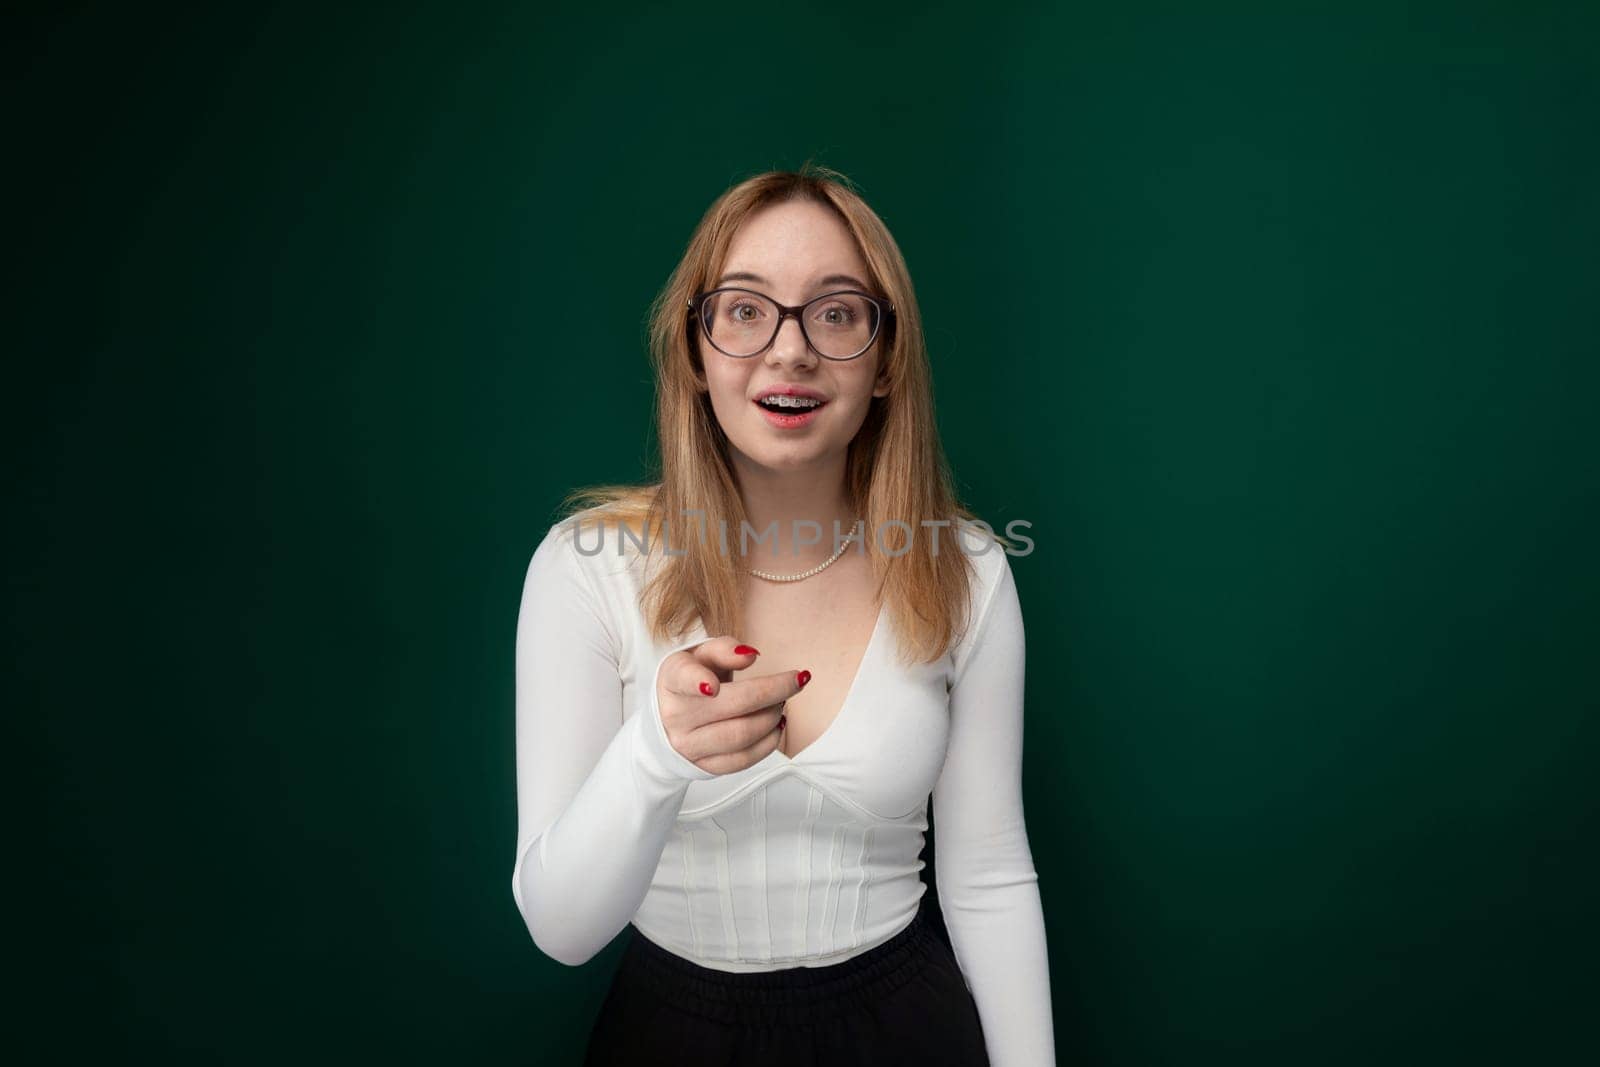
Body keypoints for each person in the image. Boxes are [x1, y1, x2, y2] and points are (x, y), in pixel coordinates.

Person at [511, 164, 1055, 1065]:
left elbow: (990, 878)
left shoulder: (968, 570)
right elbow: (561, 927)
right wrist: (655, 750)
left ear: (884, 362)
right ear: (695, 350)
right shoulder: (582, 567)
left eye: (837, 313)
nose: (790, 349)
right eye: (745, 309)